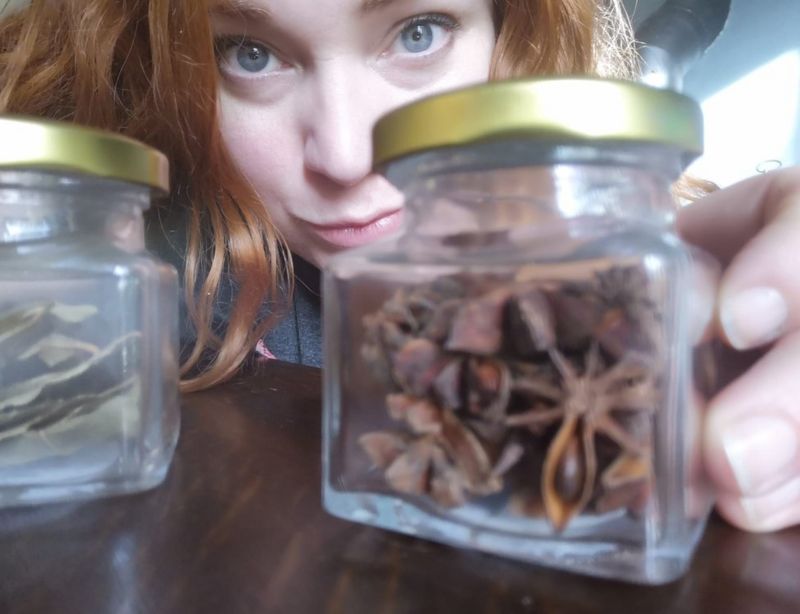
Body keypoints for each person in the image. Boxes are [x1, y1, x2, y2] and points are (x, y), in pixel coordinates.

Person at [1, 0, 799, 534]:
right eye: (249, 53)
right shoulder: (155, 288)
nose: (349, 154)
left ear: (514, 33)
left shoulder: (671, 274)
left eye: (419, 32)